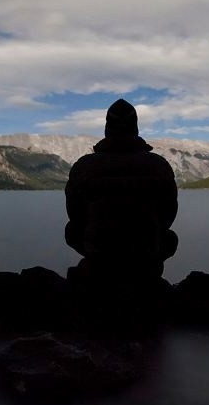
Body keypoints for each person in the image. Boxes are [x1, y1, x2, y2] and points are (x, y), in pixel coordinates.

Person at [65, 99, 178, 281]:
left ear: (107, 128)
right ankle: (144, 278)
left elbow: (75, 215)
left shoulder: (83, 166)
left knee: (71, 230)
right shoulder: (159, 165)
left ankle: (96, 276)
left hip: (98, 252)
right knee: (170, 237)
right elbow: (168, 214)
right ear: (136, 127)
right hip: (146, 254)